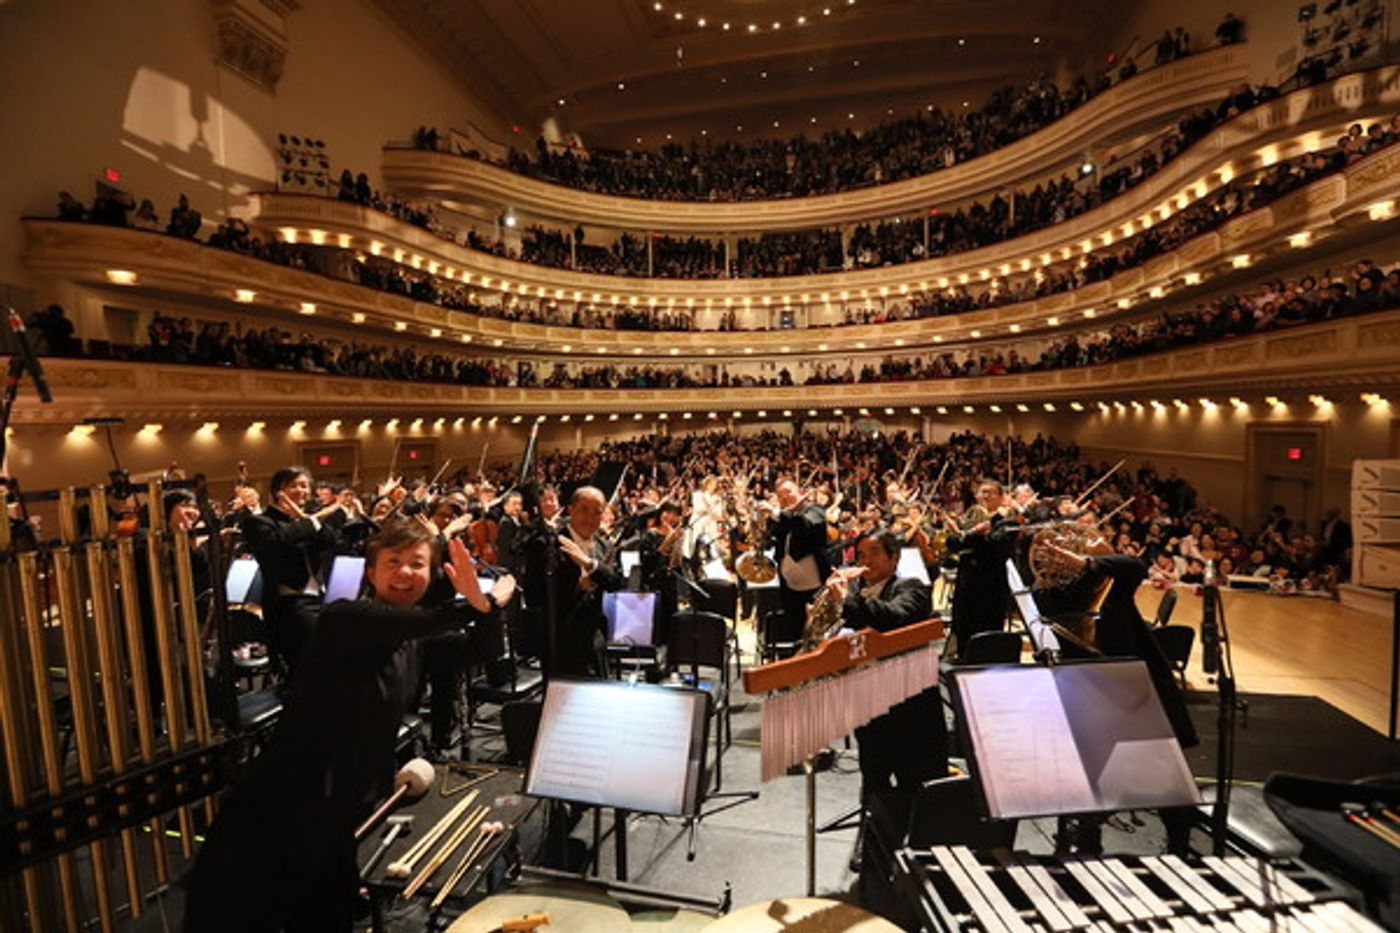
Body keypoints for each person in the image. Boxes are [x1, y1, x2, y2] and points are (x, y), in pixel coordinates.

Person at [183, 522, 514, 933]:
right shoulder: (344, 618)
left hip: (340, 807)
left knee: (326, 917)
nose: (406, 572)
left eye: (418, 563)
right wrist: (483, 601)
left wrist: (490, 609)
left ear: (430, 576)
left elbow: (484, 650)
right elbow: (416, 622)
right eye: (393, 562)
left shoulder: (419, 642)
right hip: (280, 806)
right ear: (371, 573)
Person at [834, 530, 944, 797]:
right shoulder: (858, 590)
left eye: (874, 552)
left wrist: (846, 600)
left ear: (894, 559)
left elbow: (894, 617)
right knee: (873, 779)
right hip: (867, 701)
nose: (866, 560)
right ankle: (874, 829)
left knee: (913, 782)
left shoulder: (911, 587)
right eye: (860, 555)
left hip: (907, 708)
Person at [241, 467, 347, 675]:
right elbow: (277, 542)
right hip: (292, 606)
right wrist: (313, 520)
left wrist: (306, 518)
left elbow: (336, 544)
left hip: (323, 600)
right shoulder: (259, 522)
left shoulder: (304, 521)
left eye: (305, 485)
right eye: (293, 486)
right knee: (308, 668)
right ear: (277, 491)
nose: (301, 490)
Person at [519, 485, 624, 677]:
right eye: (584, 509)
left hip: (594, 638)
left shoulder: (605, 546)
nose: (590, 518)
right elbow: (533, 595)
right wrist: (577, 586)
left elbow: (616, 582)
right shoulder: (547, 543)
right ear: (570, 509)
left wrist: (589, 564)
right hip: (558, 640)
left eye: (597, 512)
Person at [944, 480, 1014, 655]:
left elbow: (997, 547)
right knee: (962, 628)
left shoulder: (1006, 523)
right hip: (966, 584)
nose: (985, 496)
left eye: (990, 492)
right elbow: (951, 543)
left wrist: (966, 537)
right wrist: (969, 536)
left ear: (1001, 497)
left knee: (987, 634)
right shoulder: (969, 516)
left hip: (991, 587)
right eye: (982, 492)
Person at [765, 478, 832, 651]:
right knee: (795, 634)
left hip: (814, 588)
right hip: (789, 588)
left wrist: (778, 513)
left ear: (800, 492)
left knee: (815, 635)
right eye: (780, 496)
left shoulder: (815, 510)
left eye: (788, 492)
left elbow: (806, 525)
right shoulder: (784, 516)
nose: (784, 497)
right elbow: (771, 536)